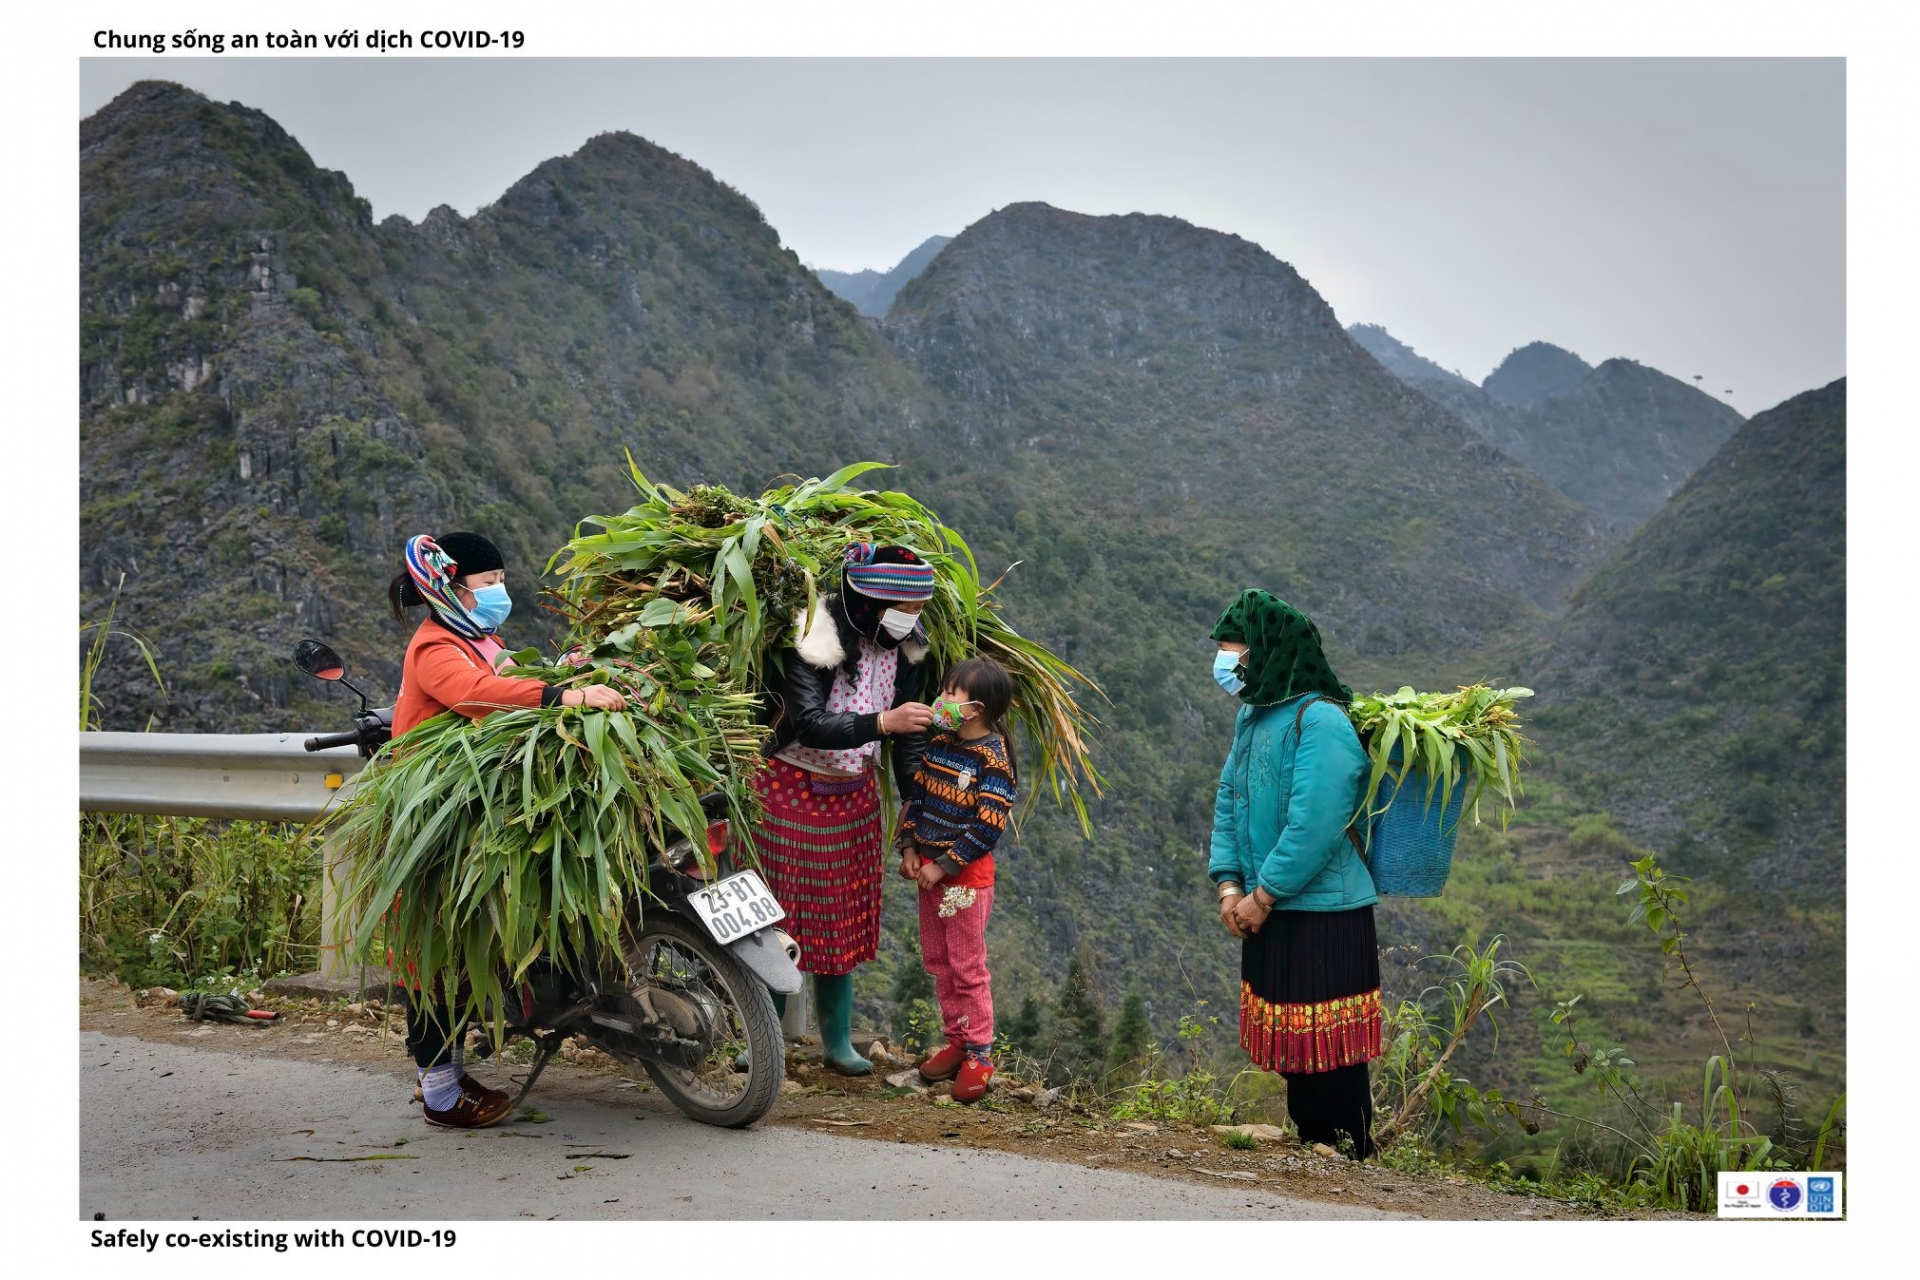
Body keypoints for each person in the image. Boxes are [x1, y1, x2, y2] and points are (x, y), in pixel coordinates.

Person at [387, 531, 627, 1128]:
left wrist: (566, 669)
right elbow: (478, 696)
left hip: (479, 801)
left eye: (500, 581)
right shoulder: (435, 647)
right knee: (440, 949)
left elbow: (507, 672)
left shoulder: (478, 636)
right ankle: (441, 1090)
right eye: (488, 584)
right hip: (436, 816)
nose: (500, 593)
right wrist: (564, 694)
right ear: (451, 588)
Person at [1205, 588, 1381, 1158]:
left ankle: (1350, 1154)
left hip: (1324, 911)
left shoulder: (1321, 719)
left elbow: (1316, 821)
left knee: (1333, 1048)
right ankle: (1314, 1150)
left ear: (1267, 650)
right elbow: (1230, 799)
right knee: (1298, 1047)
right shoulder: (1252, 718)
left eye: (1234, 648)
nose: (1227, 660)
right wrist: (1230, 885)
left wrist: (1264, 893)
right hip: (1269, 905)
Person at [755, 543, 936, 1075]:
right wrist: (883, 723)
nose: (911, 621)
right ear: (868, 603)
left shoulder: (907, 650)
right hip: (789, 791)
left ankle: (836, 1043)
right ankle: (762, 1040)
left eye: (919, 612)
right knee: (775, 917)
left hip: (854, 798)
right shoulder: (816, 634)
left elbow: (910, 741)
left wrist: (914, 814)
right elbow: (809, 721)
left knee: (840, 919)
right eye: (905, 611)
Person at [896, 656, 1018, 1103]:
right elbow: (915, 801)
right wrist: (909, 850)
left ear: (977, 708)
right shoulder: (939, 746)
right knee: (941, 961)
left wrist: (942, 864)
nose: (941, 700)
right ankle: (957, 1040)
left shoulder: (993, 761)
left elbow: (987, 828)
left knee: (967, 967)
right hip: (930, 878)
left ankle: (981, 1054)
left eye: (951, 693)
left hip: (964, 883)